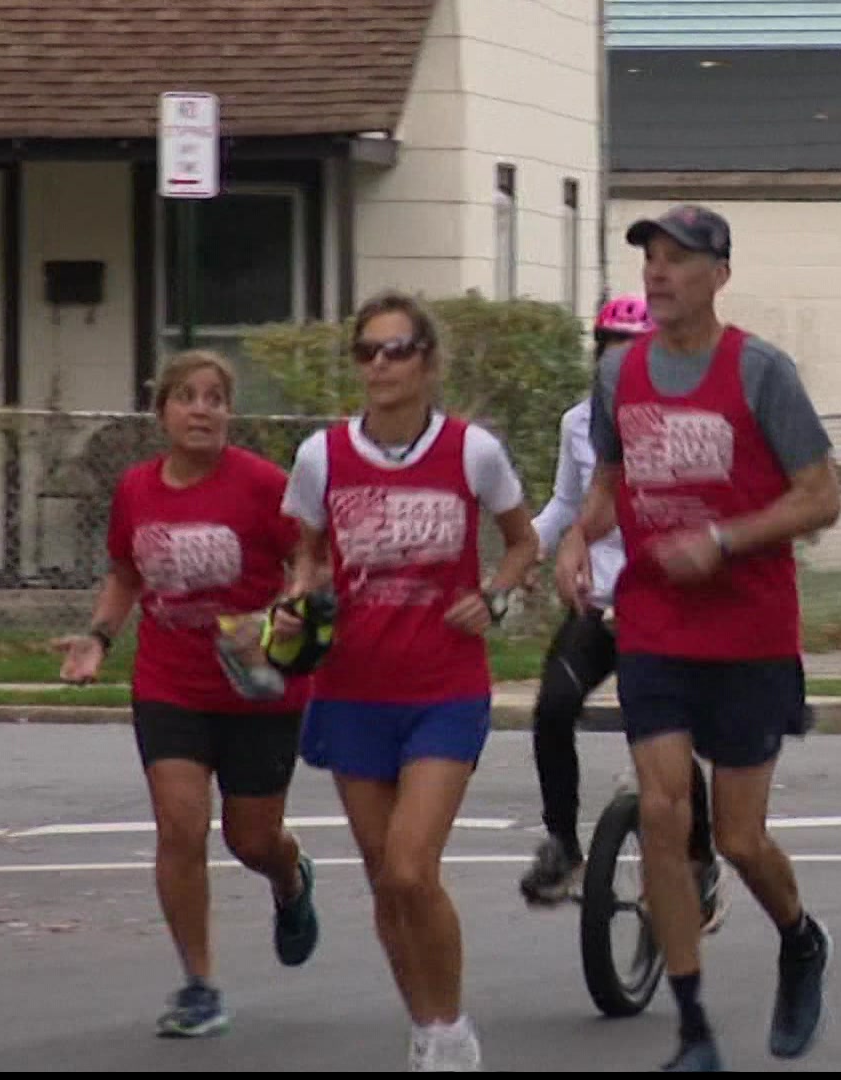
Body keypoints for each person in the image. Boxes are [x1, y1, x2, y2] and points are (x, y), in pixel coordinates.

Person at [555, 205, 841, 1072]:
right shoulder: (618, 375)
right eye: (650, 258)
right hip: (655, 626)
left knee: (742, 839)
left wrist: (721, 540)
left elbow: (821, 497)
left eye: (679, 259)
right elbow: (606, 483)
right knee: (662, 812)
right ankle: (693, 1028)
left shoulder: (761, 372)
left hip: (750, 629)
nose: (658, 273)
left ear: (720, 273)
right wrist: (576, 540)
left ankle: (799, 938)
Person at [275, 291, 540, 1072]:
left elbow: (521, 542)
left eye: (396, 350)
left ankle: (453, 1029)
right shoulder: (323, 457)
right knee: (383, 882)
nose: (381, 366)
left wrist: (494, 596)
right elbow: (308, 554)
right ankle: (424, 1024)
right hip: (353, 688)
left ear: (427, 361)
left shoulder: (472, 452)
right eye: (367, 352)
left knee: (411, 866)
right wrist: (297, 602)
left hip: (444, 687)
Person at [55, 350, 320, 1039]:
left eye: (214, 398)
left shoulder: (264, 485)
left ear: (229, 413)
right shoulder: (138, 489)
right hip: (171, 681)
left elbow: (309, 558)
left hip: (259, 685)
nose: (201, 409)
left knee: (251, 836)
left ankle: (290, 880)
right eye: (187, 396)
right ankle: (199, 985)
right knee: (179, 826)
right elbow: (124, 573)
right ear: (163, 412)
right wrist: (97, 638)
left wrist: (288, 608)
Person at [520, 294, 726, 937]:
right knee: (553, 705)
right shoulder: (577, 423)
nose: (620, 366)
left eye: (633, 352)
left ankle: (700, 860)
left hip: (666, 602)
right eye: (610, 352)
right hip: (601, 601)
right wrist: (526, 549)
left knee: (660, 735)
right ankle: (562, 846)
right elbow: (564, 503)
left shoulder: (682, 422)